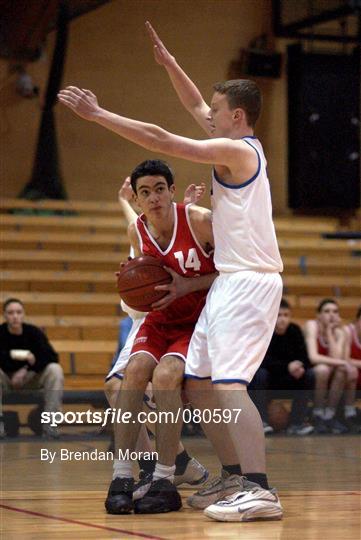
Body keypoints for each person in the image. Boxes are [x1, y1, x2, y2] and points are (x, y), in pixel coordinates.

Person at [57, 21, 284, 521]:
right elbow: (192, 107)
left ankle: (260, 488)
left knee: (227, 386)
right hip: (231, 278)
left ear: (237, 116)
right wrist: (170, 65)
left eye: (216, 110)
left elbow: (164, 136)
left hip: (249, 279)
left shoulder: (238, 151)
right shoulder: (238, 142)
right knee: (201, 383)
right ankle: (230, 476)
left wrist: (97, 115)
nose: (208, 115)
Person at [102, 158, 223, 515]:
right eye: (145, 192)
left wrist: (190, 284)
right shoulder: (136, 232)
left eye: (159, 189)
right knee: (133, 373)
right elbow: (145, 283)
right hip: (160, 319)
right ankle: (122, 475)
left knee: (166, 377)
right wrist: (132, 283)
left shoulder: (199, 221)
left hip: (197, 322)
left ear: (172, 191)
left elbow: (236, 271)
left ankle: (165, 479)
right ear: (137, 200)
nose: (153, 198)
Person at [0, 298, 64, 439]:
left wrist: (27, 370)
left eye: (18, 312)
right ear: (4, 315)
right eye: (11, 313)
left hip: (29, 378)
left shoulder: (33, 332)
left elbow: (51, 356)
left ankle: (50, 425)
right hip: (5, 379)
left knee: (55, 369)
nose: (15, 316)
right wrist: (21, 356)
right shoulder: (1, 333)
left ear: (23, 314)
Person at [249, 299, 314, 436]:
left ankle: (297, 423)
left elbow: (305, 357)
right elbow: (261, 360)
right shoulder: (265, 331)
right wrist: (287, 366)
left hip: (288, 378)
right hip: (270, 379)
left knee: (309, 374)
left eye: (286, 315)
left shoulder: (295, 330)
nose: (282, 319)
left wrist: (299, 366)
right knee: (260, 374)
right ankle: (262, 421)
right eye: (279, 315)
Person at [304, 298, 359, 434]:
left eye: (335, 311)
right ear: (318, 315)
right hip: (310, 371)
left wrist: (329, 332)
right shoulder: (311, 325)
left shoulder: (339, 332)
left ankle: (329, 416)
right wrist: (345, 363)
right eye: (326, 311)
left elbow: (335, 359)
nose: (331, 314)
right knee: (324, 369)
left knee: (341, 371)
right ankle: (317, 414)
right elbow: (313, 357)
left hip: (330, 371)